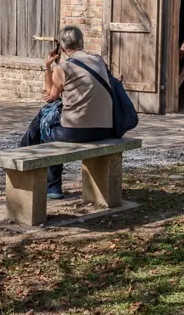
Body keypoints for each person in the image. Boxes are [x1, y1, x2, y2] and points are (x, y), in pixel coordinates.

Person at [19, 25, 115, 199]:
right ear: (81, 42)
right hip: (105, 129)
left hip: (76, 131)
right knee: (48, 118)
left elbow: (51, 96)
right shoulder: (98, 60)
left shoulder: (64, 67)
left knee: (45, 124)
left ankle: (48, 183)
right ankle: (23, 156)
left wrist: (48, 66)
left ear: (61, 47)